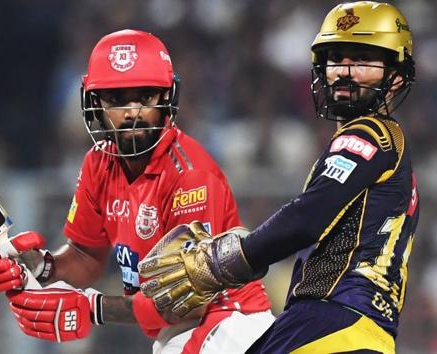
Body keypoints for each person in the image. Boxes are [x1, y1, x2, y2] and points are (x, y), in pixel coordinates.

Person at [0, 29, 273, 354]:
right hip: (180, 333)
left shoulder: (190, 174)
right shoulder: (97, 163)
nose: (132, 112)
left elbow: (188, 301)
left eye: (145, 96)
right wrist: (43, 266)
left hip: (230, 326)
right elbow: (87, 257)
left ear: (167, 97)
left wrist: (92, 308)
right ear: (95, 103)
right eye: (116, 99)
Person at [138, 2, 419, 353]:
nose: (345, 72)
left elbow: (308, 217)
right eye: (337, 59)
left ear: (395, 75)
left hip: (332, 325)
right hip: (353, 331)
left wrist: (222, 261)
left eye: (362, 60)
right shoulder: (385, 142)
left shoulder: (367, 134)